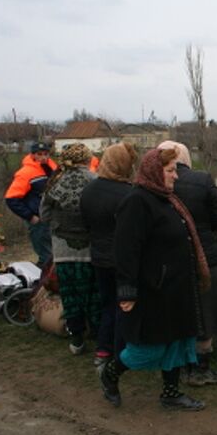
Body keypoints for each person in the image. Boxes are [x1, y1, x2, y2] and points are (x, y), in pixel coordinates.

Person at [100, 147, 208, 411]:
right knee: (147, 348)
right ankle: (110, 374)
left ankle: (170, 394)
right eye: (170, 171)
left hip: (176, 288)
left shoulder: (166, 199)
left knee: (177, 342)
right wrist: (126, 289)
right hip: (153, 289)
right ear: (154, 172)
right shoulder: (137, 201)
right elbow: (126, 249)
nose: (176, 176)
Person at [157, 141, 217, 386]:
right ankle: (201, 366)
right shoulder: (202, 179)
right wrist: (208, 229)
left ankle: (179, 366)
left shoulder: (152, 185)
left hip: (168, 257)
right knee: (207, 311)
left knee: (178, 311)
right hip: (204, 253)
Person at [39, 143, 102, 355]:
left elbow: (45, 215)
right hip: (90, 249)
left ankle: (76, 339)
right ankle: (99, 336)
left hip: (63, 250)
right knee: (93, 293)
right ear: (86, 159)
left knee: (70, 295)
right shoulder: (95, 181)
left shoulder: (54, 182)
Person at [80, 142, 137, 368]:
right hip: (122, 260)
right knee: (125, 305)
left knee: (107, 305)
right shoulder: (128, 194)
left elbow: (86, 224)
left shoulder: (89, 190)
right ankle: (120, 355)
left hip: (99, 256)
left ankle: (103, 350)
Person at [5, 141, 57, 267]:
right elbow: (11, 198)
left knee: (53, 254)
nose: (43, 157)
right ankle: (45, 282)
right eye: (39, 154)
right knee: (46, 256)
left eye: (46, 154)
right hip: (38, 219)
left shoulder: (53, 168)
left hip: (53, 218)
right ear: (33, 155)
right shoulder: (25, 173)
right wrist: (30, 216)